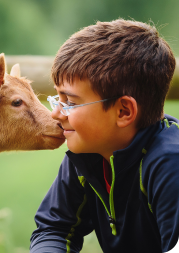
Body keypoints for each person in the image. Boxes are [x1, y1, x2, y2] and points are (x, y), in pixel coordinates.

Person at [30, 19, 179, 253]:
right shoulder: (89, 154)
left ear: (124, 111)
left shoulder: (171, 164)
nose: (56, 114)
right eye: (57, 99)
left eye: (70, 102)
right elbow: (54, 229)